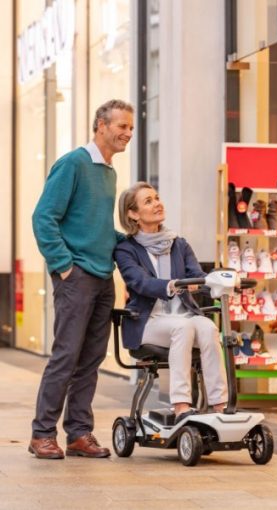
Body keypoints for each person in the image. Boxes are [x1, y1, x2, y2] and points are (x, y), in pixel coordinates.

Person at [29, 99, 134, 459]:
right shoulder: (74, 163)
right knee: (66, 356)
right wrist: (63, 266)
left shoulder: (108, 171)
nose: (128, 133)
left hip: (103, 277)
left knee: (91, 359)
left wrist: (132, 243)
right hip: (76, 277)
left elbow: (100, 229)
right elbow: (44, 217)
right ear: (100, 126)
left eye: (131, 128)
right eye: (122, 126)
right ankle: (42, 433)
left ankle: (78, 432)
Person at [114, 182, 227, 423]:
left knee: (208, 327)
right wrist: (170, 285)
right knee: (183, 328)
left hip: (183, 316)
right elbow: (139, 282)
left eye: (157, 198)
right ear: (133, 214)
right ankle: (181, 405)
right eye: (148, 201)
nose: (157, 203)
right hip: (149, 322)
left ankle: (219, 405)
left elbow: (195, 274)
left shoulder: (179, 244)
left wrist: (213, 282)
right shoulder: (126, 249)